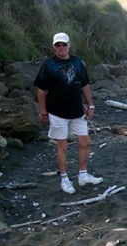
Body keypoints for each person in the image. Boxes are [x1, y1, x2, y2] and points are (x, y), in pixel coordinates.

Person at [34, 32, 103, 194]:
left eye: (64, 44)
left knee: (85, 141)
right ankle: (65, 178)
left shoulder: (77, 63)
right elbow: (41, 91)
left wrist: (90, 105)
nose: (61, 47)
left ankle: (83, 174)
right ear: (53, 47)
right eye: (58, 45)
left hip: (77, 110)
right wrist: (43, 112)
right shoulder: (48, 64)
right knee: (62, 144)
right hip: (57, 112)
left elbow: (84, 85)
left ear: (69, 45)